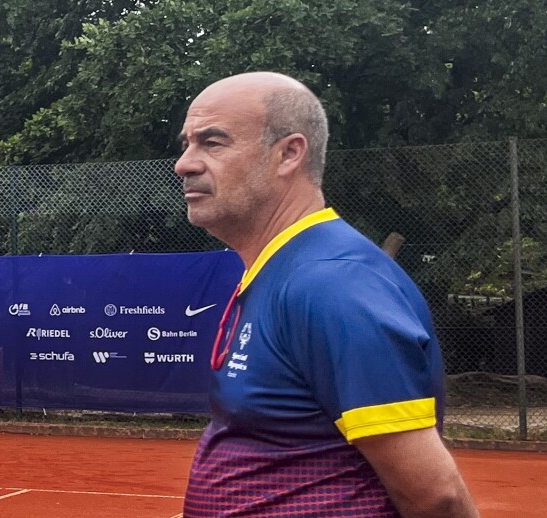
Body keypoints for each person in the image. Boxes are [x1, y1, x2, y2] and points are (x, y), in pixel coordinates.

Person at [174, 72, 478, 517]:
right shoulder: (286, 271)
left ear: (289, 153)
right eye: (186, 143)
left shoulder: (332, 285)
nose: (185, 162)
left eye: (212, 142)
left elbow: (437, 497)